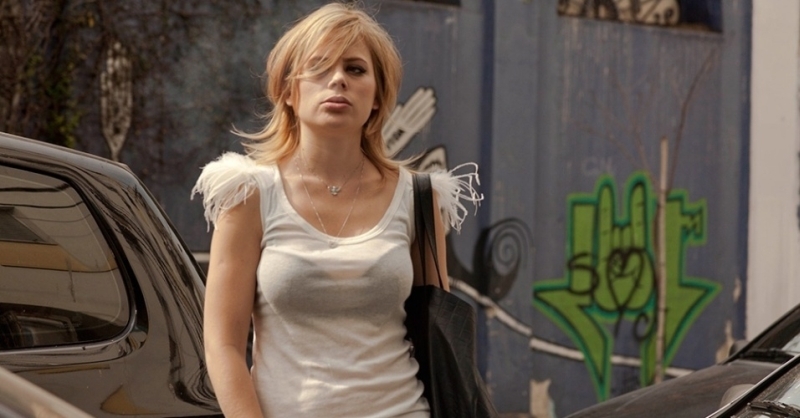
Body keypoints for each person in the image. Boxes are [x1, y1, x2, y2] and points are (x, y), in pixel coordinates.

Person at [191, 2, 481, 417]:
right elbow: (222, 345)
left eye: (356, 69)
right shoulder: (247, 194)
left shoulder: (418, 197)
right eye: (319, 66)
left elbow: (441, 340)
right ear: (288, 91)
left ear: (377, 96)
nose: (338, 79)